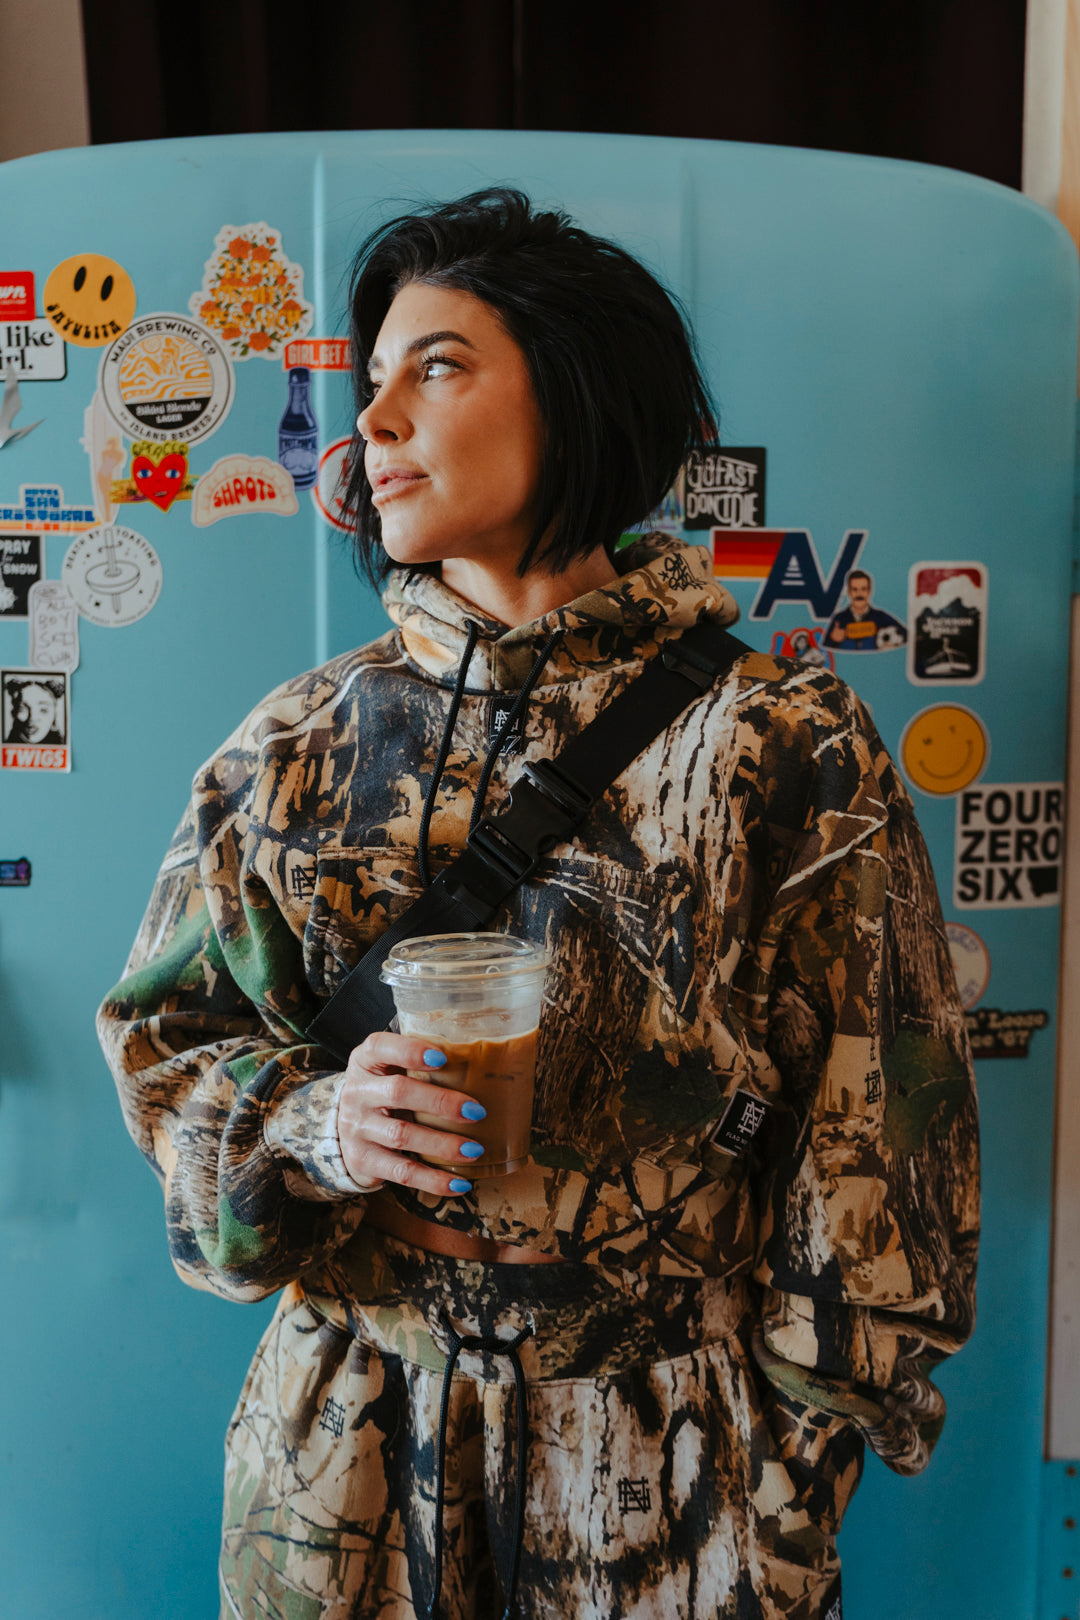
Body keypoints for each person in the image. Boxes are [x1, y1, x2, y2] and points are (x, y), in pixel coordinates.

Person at [97, 188, 979, 1620]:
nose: (374, 418)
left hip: (678, 1458)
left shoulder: (782, 742)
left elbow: (883, 1132)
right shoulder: (297, 747)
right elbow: (167, 1055)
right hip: (347, 1450)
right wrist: (318, 1125)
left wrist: (795, 1471)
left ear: (575, 393)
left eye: (436, 366)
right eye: (370, 379)